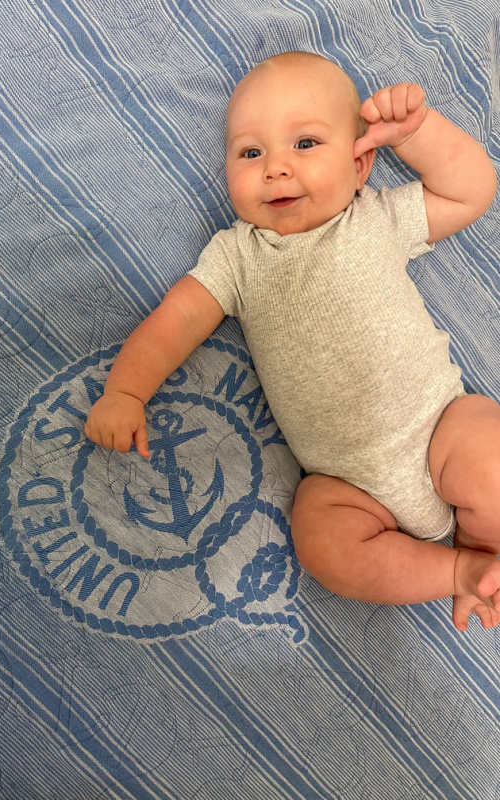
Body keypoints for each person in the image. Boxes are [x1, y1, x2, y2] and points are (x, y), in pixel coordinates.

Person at [85, 51, 500, 631]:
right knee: (322, 543)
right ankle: (459, 573)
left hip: (439, 429)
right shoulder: (236, 257)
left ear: (360, 166)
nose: (276, 167)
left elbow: (472, 191)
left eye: (305, 144)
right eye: (251, 153)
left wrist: (419, 132)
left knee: (492, 458)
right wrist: (126, 392)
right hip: (347, 485)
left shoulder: (373, 218)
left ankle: (484, 543)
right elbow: (175, 321)